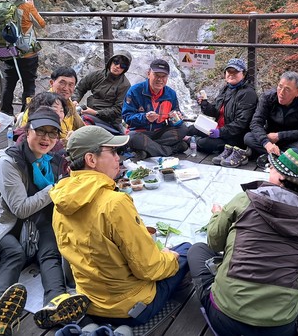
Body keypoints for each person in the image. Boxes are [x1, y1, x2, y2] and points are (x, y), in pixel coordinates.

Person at [50, 126, 192, 326]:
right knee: (187, 250)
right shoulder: (115, 203)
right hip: (129, 309)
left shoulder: (60, 200)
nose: (119, 158)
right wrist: (171, 257)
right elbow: (149, 269)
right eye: (113, 152)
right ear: (91, 159)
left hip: (89, 301)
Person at [187, 148, 298, 336]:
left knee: (197, 250)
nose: (269, 169)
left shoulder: (244, 200)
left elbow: (214, 242)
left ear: (281, 178)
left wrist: (218, 214)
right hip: (281, 327)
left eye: (273, 167)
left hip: (226, 318)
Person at [0, 107, 89, 335]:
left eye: (52, 133)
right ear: (27, 131)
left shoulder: (51, 159)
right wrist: (55, 188)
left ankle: (56, 302)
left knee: (50, 250)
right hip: (7, 224)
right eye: (40, 131)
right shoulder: (9, 162)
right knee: (14, 254)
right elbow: (21, 209)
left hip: (38, 221)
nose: (46, 138)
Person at [186, 58, 258, 167]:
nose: (231, 75)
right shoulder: (226, 89)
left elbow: (242, 123)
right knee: (191, 128)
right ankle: (187, 140)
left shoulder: (248, 94)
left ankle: (190, 141)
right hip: (218, 128)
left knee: (204, 143)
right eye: (229, 72)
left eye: (236, 72)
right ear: (225, 74)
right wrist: (204, 104)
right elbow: (216, 112)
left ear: (243, 74)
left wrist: (220, 132)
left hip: (234, 137)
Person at [0, 0, 46, 116]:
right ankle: (26, 114)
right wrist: (32, 7)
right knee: (29, 84)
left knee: (9, 83)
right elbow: (41, 24)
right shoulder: (26, 6)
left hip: (7, 52)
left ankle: (5, 113)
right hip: (27, 53)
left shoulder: (0, 5)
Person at [244, 71, 298, 168]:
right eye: (280, 86)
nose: (281, 93)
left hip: (292, 140)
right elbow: (256, 123)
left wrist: (280, 136)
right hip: (270, 139)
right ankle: (284, 157)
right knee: (248, 137)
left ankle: (273, 156)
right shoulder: (268, 97)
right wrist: (267, 143)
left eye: (287, 89)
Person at [122, 59, 189, 158]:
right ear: (148, 74)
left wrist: (175, 118)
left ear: (167, 77)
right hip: (141, 133)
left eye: (163, 76)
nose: (160, 79)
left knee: (183, 128)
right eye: (156, 75)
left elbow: (174, 119)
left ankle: (147, 149)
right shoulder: (134, 91)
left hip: (160, 132)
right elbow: (127, 117)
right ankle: (171, 149)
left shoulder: (171, 94)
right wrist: (145, 118)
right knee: (132, 137)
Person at [72, 51, 132, 133]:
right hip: (89, 112)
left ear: (125, 69)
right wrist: (75, 100)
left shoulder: (125, 85)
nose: (117, 66)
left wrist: (96, 113)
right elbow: (80, 88)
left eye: (122, 65)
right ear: (111, 62)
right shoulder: (97, 75)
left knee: (83, 121)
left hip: (109, 121)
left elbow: (118, 110)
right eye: (116, 62)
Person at [20, 67, 84, 141]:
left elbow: (81, 127)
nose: (66, 88)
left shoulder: (69, 104)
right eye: (62, 83)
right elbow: (31, 136)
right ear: (51, 83)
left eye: (71, 85)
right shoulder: (41, 103)